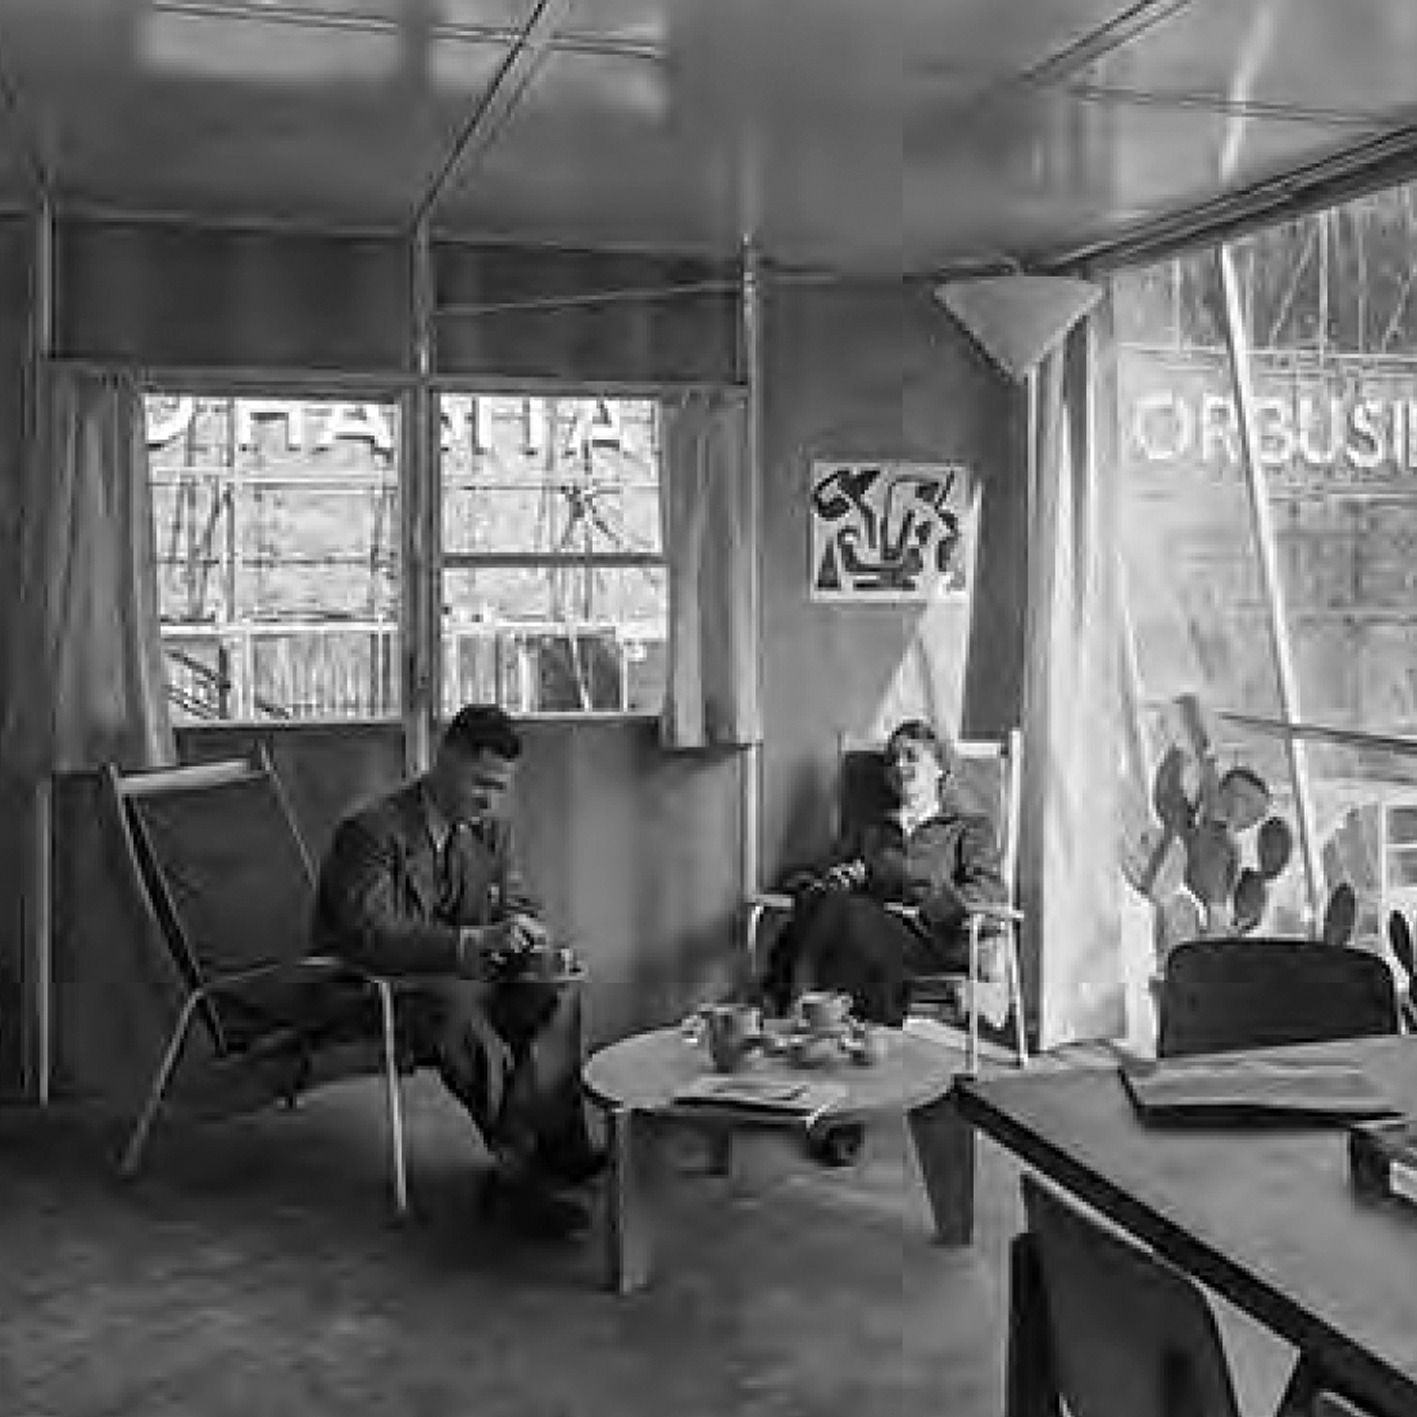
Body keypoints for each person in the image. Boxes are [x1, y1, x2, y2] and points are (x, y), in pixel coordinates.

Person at [312, 703, 600, 1240]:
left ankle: (558, 1147)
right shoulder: (370, 832)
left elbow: (515, 901)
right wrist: (471, 943)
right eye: (480, 784)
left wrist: (530, 937)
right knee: (454, 1011)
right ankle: (519, 1174)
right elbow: (367, 938)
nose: (489, 800)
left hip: (462, 978)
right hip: (375, 989)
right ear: (445, 759)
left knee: (557, 990)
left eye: (499, 788)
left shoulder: (487, 832)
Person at [760, 718, 1007, 1026]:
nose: (899, 766)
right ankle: (803, 1009)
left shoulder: (967, 828)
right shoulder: (872, 828)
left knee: (833, 913)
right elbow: (823, 873)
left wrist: (928, 899)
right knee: (823, 900)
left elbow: (988, 889)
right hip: (863, 927)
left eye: (911, 757)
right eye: (892, 760)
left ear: (940, 768)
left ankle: (785, 1007)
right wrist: (839, 878)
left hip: (928, 935)